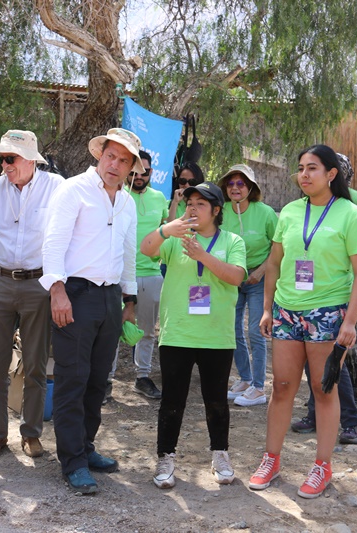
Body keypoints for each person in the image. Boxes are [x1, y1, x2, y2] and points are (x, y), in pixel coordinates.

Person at [248, 144, 357, 499]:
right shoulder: (289, 212)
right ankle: (271, 460)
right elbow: (275, 263)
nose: (304, 174)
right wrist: (268, 308)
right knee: (282, 387)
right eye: (301, 168)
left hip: (328, 313)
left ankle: (322, 466)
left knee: (323, 389)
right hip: (287, 311)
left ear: (331, 174)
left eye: (312, 168)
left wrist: (350, 321)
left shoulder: (351, 214)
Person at [40, 127, 140, 495]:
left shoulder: (127, 203)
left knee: (99, 380)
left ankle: (85, 446)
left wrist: (130, 299)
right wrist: (57, 290)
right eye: (111, 156)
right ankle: (72, 462)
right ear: (100, 155)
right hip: (75, 293)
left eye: (123, 160)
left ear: (131, 167)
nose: (115, 164)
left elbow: (128, 253)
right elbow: (53, 243)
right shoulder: (74, 190)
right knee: (73, 378)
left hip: (110, 297)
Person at [0, 130, 64, 459]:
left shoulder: (57, 187)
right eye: (1, 159)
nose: (4, 165)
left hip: (38, 283)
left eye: (10, 158)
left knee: (35, 365)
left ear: (31, 159)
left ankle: (31, 434)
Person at [141, 182, 247, 489]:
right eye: (190, 203)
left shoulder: (232, 240)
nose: (193, 208)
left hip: (217, 336)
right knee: (172, 401)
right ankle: (165, 458)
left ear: (216, 210)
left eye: (201, 204)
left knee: (216, 401)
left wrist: (203, 256)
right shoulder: (176, 238)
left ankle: (220, 454)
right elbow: (146, 249)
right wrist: (166, 229)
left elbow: (236, 277)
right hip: (177, 333)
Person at [291, 153, 357, 442]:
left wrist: (355, 275)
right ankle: (316, 412)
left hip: (341, 293)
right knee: (314, 360)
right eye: (303, 169)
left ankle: (352, 417)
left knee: (338, 358)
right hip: (307, 294)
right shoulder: (305, 204)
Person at [106, 150, 168, 400]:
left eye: (144, 172)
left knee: (147, 331)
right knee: (111, 329)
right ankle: (106, 380)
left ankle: (142, 377)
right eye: (134, 172)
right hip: (119, 276)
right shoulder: (118, 196)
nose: (139, 177)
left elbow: (166, 229)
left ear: (150, 173)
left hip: (151, 274)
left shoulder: (159, 198)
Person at [218, 164, 277, 407]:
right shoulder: (220, 211)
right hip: (231, 277)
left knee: (255, 330)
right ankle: (245, 378)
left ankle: (259, 387)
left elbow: (279, 246)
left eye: (241, 183)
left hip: (258, 278)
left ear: (251, 187)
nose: (235, 188)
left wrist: (261, 271)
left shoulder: (265, 213)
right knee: (232, 330)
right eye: (230, 183)